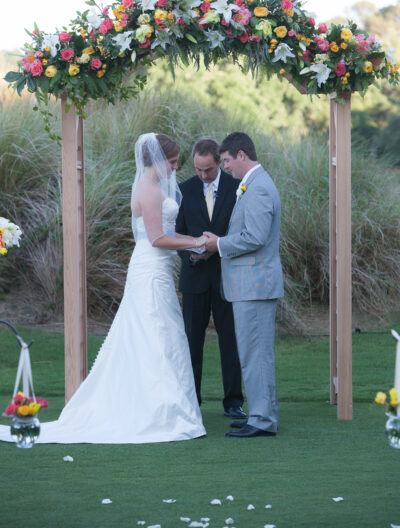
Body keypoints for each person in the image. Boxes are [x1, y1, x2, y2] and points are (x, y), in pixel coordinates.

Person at [0, 133, 207, 444]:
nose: (176, 168)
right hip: (151, 268)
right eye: (174, 162)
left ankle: (162, 407)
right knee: (158, 335)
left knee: (158, 335)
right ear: (159, 160)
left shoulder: (148, 186)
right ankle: (162, 411)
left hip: (154, 268)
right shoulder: (150, 190)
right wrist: (196, 241)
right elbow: (157, 238)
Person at [204, 132, 284, 438]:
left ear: (241, 155)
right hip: (250, 284)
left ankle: (262, 420)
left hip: (256, 285)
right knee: (253, 352)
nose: (225, 168)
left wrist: (218, 244)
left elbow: (255, 237)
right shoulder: (252, 183)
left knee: (256, 354)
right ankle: (261, 414)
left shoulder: (260, 187)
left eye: (225, 161)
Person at [175, 138, 245, 420]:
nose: (202, 175)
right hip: (194, 278)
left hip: (228, 277)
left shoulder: (236, 188)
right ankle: (192, 402)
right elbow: (175, 234)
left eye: (208, 170)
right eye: (197, 169)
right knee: (191, 342)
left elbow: (243, 231)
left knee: (231, 341)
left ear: (219, 162)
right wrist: (193, 254)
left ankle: (233, 403)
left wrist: (218, 246)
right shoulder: (183, 190)